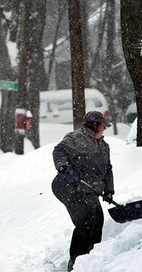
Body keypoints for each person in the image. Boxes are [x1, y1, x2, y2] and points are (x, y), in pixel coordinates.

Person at [51, 111, 114, 272]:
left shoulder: (104, 146)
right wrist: (62, 166)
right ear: (95, 125)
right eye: (103, 125)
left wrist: (109, 190)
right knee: (85, 220)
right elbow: (58, 151)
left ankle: (91, 258)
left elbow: (108, 169)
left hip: (88, 189)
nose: (104, 129)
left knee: (97, 219)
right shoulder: (76, 138)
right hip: (68, 185)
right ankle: (75, 261)